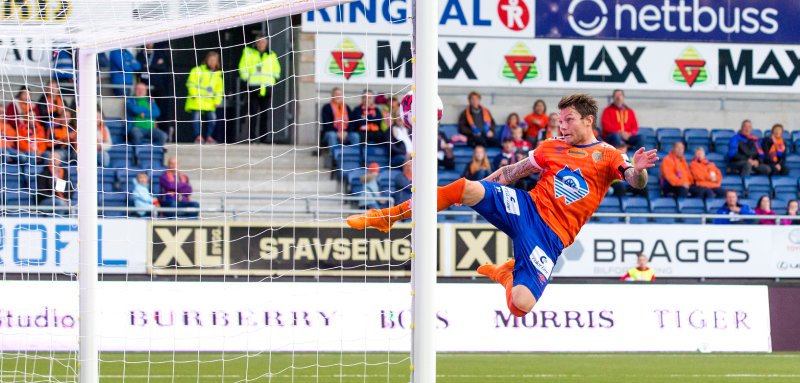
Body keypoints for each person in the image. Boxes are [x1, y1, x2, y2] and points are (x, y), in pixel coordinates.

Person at [347, 94, 657, 317]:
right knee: (464, 187)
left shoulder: (609, 155)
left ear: (588, 121)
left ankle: (507, 275)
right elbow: (512, 172)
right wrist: (481, 191)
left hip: (550, 237)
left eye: (568, 120)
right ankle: (388, 216)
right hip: (528, 207)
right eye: (559, 120)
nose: (561, 126)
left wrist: (639, 170)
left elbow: (635, 180)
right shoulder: (551, 146)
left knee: (521, 305)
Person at [238, 33, 281, 142]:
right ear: (256, 43)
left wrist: (274, 79)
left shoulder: (271, 55)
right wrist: (246, 78)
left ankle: (263, 138)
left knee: (265, 114)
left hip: (266, 88)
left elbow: (277, 69)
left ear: (266, 43)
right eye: (259, 42)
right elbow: (242, 67)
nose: (261, 44)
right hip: (253, 87)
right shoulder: (248, 53)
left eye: (263, 42)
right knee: (253, 113)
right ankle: (252, 138)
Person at [136, 42, 174, 137]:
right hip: (146, 89)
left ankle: (164, 132)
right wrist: (154, 66)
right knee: (146, 109)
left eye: (151, 41)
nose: (149, 43)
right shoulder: (140, 55)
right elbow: (138, 69)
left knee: (161, 110)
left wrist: (148, 67)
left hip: (160, 89)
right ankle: (149, 131)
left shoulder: (159, 53)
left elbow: (163, 67)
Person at [186, 51, 223, 143]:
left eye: (214, 60)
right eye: (210, 60)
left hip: (209, 102)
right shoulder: (197, 70)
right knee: (196, 118)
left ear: (217, 62)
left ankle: (209, 136)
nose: (212, 62)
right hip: (197, 100)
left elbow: (219, 90)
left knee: (213, 118)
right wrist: (194, 94)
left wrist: (217, 101)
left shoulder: (218, 75)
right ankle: (198, 136)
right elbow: (191, 83)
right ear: (206, 60)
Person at [6, 87, 48, 164]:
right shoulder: (21, 127)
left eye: (28, 94)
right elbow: (21, 143)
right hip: (28, 151)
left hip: (39, 151)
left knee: (48, 155)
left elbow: (43, 142)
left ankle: (45, 170)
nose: (26, 96)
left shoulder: (40, 128)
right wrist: (33, 151)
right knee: (31, 155)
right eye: (24, 94)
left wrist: (40, 151)